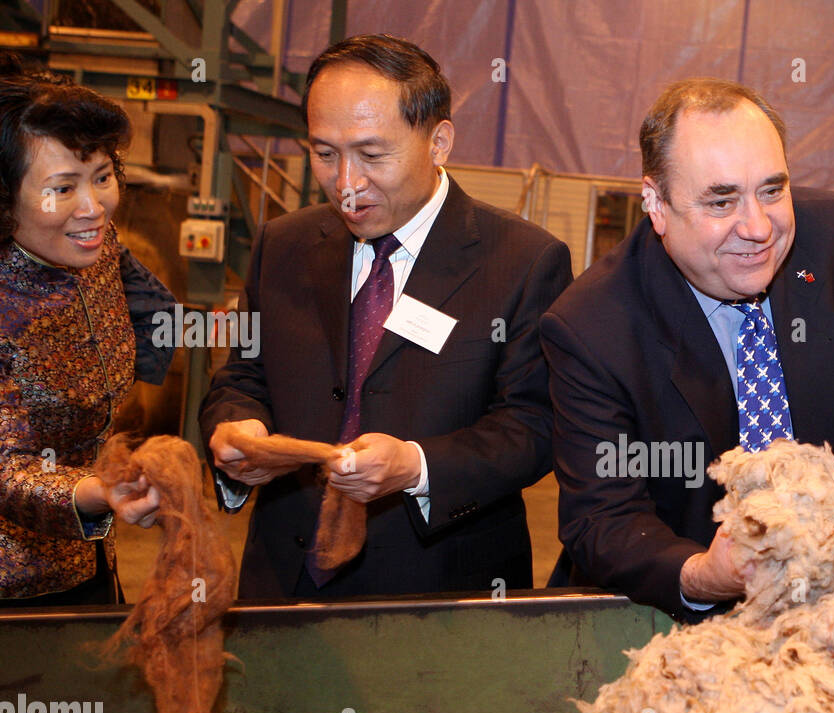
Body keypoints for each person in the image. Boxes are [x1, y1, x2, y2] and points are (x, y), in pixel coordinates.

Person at [200, 35, 572, 599]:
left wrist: (417, 467)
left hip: (440, 594)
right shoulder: (284, 245)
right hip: (283, 581)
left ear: (438, 141)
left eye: (373, 155)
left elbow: (535, 425)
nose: (347, 185)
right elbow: (243, 376)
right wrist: (239, 430)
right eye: (325, 154)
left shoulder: (523, 261)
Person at [541, 78, 834, 622]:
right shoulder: (591, 327)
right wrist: (704, 575)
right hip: (670, 617)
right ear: (656, 203)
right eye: (721, 201)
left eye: (771, 190)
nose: (758, 228)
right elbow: (604, 517)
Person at [0, 70, 167, 605]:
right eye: (63, 188)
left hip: (93, 558)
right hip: (16, 589)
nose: (93, 207)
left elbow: (154, 309)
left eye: (102, 176)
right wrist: (98, 491)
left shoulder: (95, 246)